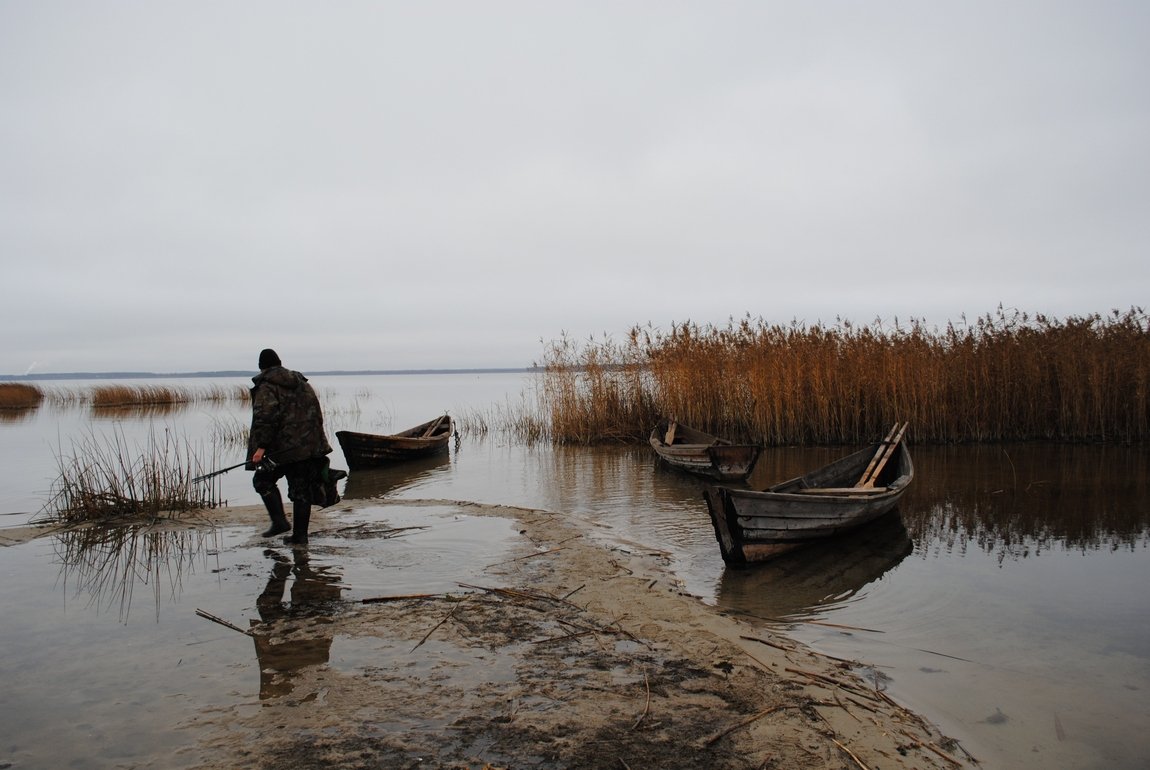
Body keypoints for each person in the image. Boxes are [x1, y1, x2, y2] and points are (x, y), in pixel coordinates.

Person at [247, 348, 333, 545]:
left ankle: (280, 523)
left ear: (262, 367)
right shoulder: (301, 383)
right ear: (279, 362)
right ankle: (300, 537)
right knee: (301, 490)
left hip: (282, 450)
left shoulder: (266, 386)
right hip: (307, 447)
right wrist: (316, 444)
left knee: (262, 482)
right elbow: (316, 414)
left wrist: (260, 448)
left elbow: (265, 418)